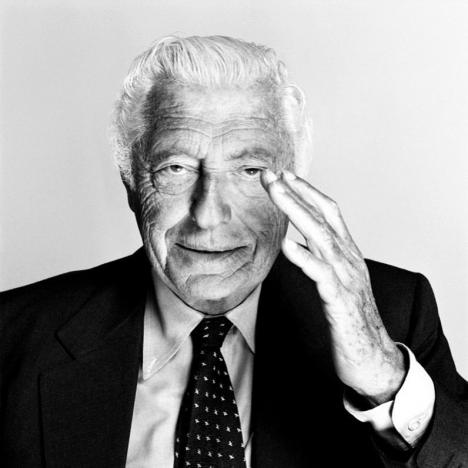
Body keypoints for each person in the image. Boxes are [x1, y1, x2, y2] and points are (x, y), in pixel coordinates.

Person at [1, 35, 467, 468]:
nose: (209, 215)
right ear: (131, 182)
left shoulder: (394, 313)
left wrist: (385, 378)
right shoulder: (14, 335)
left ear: (295, 183)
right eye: (176, 167)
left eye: (249, 171)